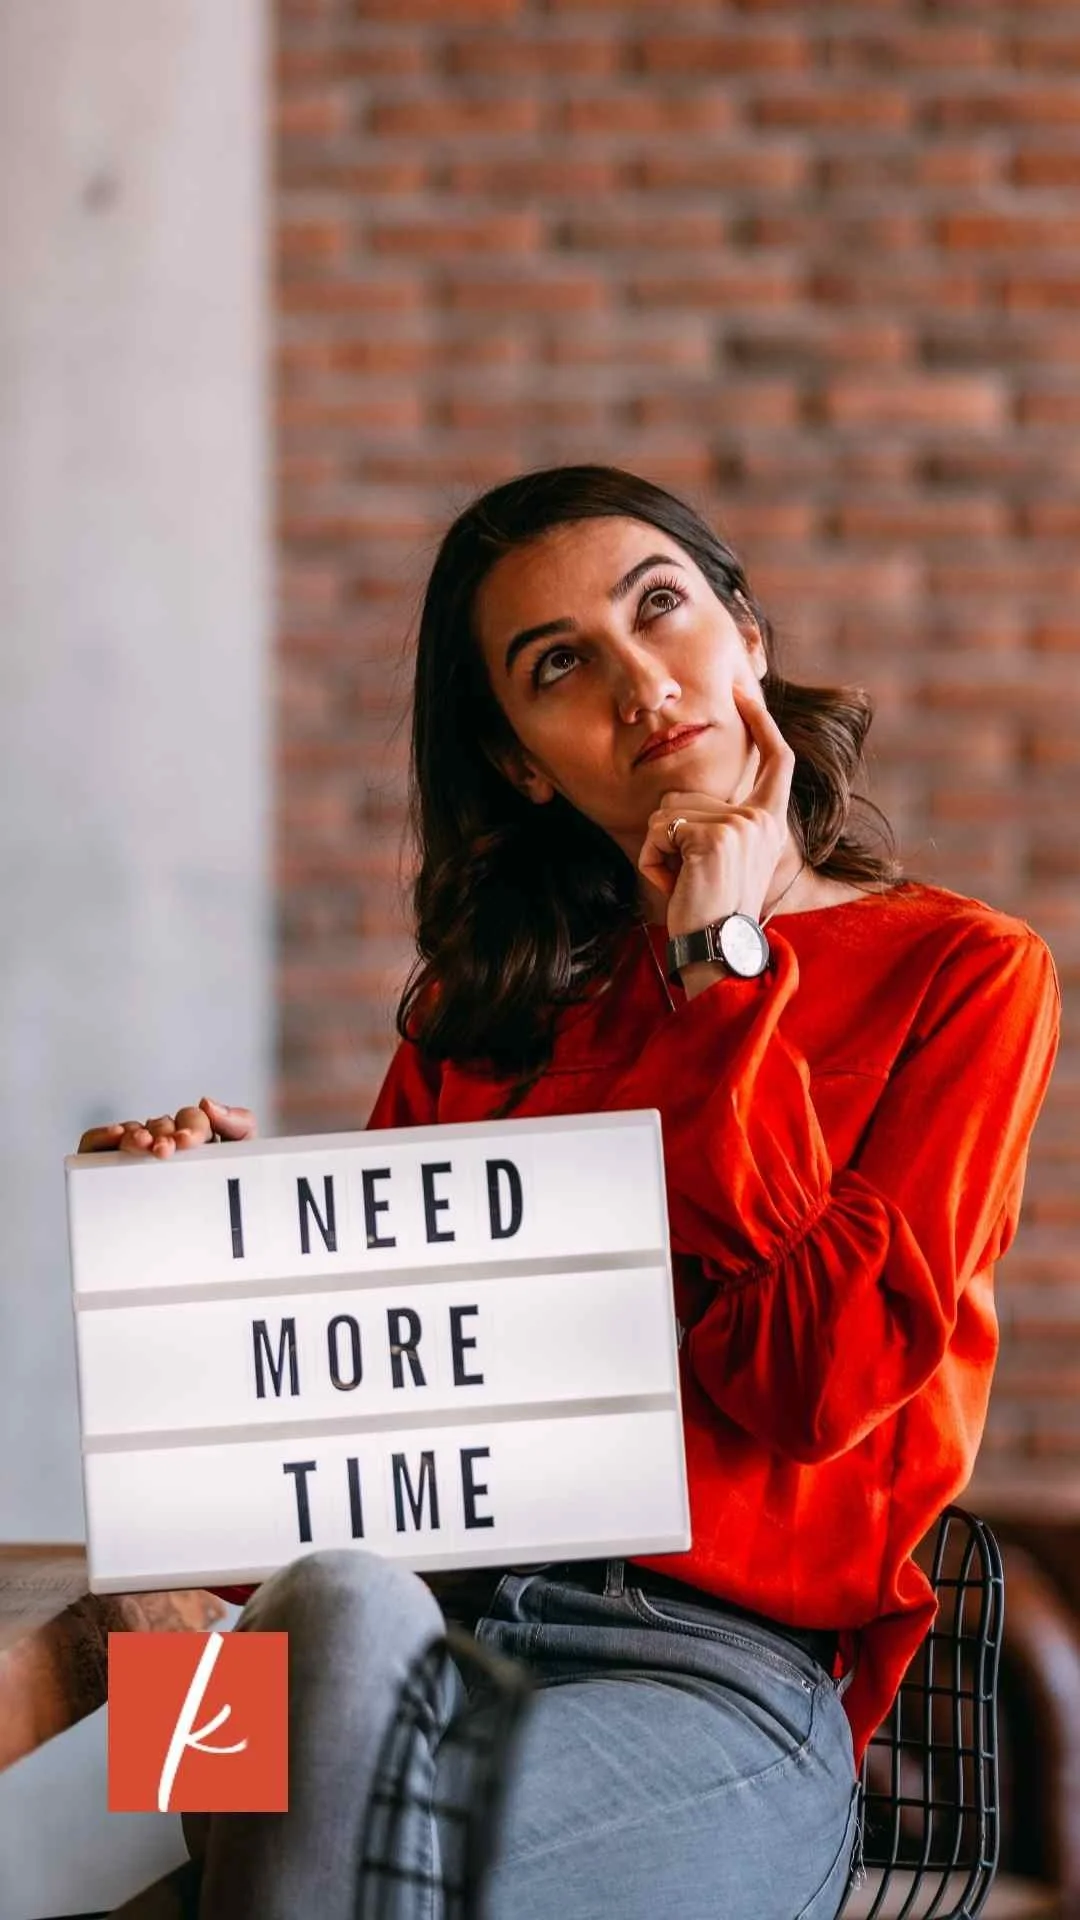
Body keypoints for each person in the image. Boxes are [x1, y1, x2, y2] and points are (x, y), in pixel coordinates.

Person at [81, 466, 1060, 1920]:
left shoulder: (963, 976)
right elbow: (311, 1510)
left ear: (749, 638)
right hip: (410, 1654)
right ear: (527, 760)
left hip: (713, 1694)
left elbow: (812, 1381)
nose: (641, 683)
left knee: (271, 1849)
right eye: (560, 667)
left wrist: (723, 970)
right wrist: (196, 1292)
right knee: (335, 1617)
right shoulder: (481, 1021)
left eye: (660, 608)